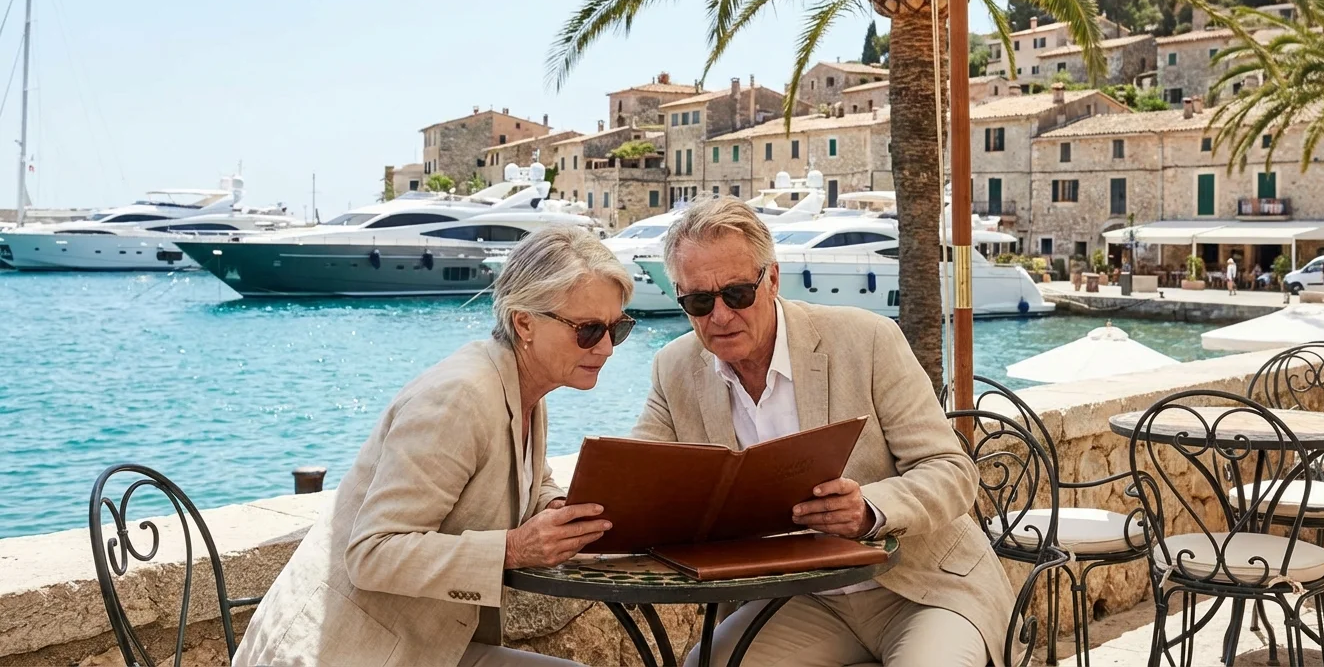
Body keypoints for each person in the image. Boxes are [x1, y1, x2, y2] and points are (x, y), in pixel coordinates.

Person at [633, 197, 1014, 667]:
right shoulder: (674, 368)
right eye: (699, 300)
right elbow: (637, 477)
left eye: (736, 294)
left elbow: (952, 471)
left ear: (771, 279)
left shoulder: (867, 339)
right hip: (801, 599)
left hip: (924, 587)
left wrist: (870, 509)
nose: (720, 316)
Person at [234, 227, 632, 667]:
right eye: (589, 330)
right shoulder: (459, 398)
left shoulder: (524, 388)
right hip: (339, 653)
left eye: (618, 328)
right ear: (524, 323)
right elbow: (372, 553)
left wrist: (557, 508)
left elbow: (522, 478)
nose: (608, 348)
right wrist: (513, 549)